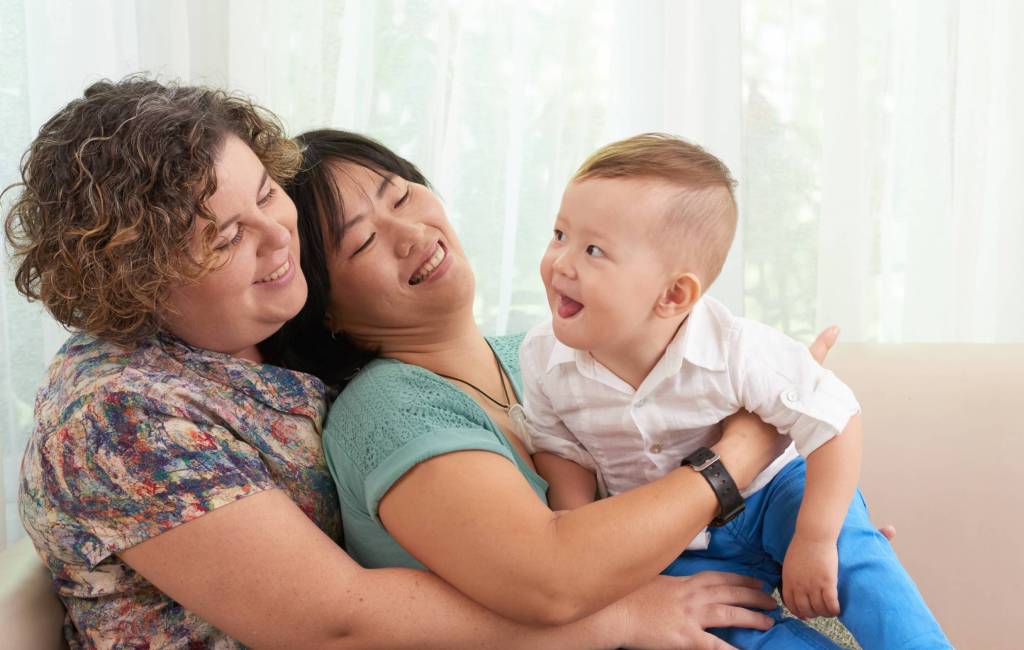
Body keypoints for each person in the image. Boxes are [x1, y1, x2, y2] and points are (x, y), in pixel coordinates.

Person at [5, 77, 785, 649]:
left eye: (266, 198)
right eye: (223, 236)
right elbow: (336, 618)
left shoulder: (270, 354)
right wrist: (626, 610)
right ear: (137, 277)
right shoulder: (117, 414)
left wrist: (789, 519)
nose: (279, 240)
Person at [275, 129, 892, 647]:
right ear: (323, 306)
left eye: (402, 196)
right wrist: (747, 447)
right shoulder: (387, 408)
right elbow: (553, 577)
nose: (409, 232)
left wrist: (801, 517)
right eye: (362, 240)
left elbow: (652, 486)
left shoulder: (540, 355)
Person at [517, 133, 951, 648]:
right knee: (713, 631)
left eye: (593, 250)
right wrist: (581, 527)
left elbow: (836, 419)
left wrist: (814, 536)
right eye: (560, 234)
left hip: (775, 495)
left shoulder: (737, 349)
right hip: (673, 543)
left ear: (674, 294)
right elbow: (559, 447)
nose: (561, 262)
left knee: (856, 558)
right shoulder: (543, 358)